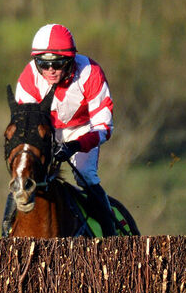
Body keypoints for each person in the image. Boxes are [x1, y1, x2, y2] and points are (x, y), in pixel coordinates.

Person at [14, 23, 117, 235]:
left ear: (70, 61)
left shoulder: (90, 73)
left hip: (83, 130)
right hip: (46, 133)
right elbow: (26, 127)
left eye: (58, 64)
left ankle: (110, 236)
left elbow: (104, 126)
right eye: (43, 64)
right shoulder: (28, 78)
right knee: (24, 175)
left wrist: (75, 145)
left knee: (86, 177)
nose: (50, 70)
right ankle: (8, 229)